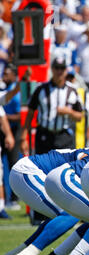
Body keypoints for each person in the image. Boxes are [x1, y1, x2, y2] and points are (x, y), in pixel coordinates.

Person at [1, 147, 89, 255]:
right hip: (29, 172)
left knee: (69, 212)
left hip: (26, 172)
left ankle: (16, 254)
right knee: (71, 212)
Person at [20, 57, 84, 156]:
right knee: (43, 170)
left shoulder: (73, 90)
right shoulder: (40, 89)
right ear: (52, 69)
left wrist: (69, 112)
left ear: (66, 70)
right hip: (44, 136)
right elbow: (30, 113)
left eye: (62, 68)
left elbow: (80, 117)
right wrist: (24, 137)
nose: (59, 71)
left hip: (64, 137)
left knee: (65, 169)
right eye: (57, 68)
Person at [0, 64, 21, 209]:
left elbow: (19, 115)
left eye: (7, 74)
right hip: (7, 130)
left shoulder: (13, 93)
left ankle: (8, 202)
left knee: (11, 166)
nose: (4, 76)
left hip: (14, 130)